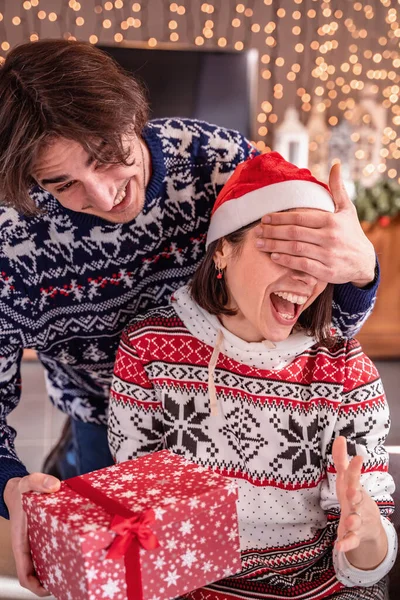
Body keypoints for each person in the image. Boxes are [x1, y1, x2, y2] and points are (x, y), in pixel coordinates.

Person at [0, 39, 378, 596]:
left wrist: (360, 267)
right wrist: (8, 482)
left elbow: (317, 324)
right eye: (63, 183)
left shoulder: (220, 161)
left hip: (251, 398)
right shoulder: (12, 242)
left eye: (107, 155)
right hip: (104, 422)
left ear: (133, 113)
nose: (104, 195)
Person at [108, 153, 396, 600]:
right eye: (284, 249)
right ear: (223, 248)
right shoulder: (147, 350)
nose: (305, 275)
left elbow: (365, 570)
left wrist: (365, 524)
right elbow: (143, 523)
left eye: (317, 256)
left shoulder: (343, 370)